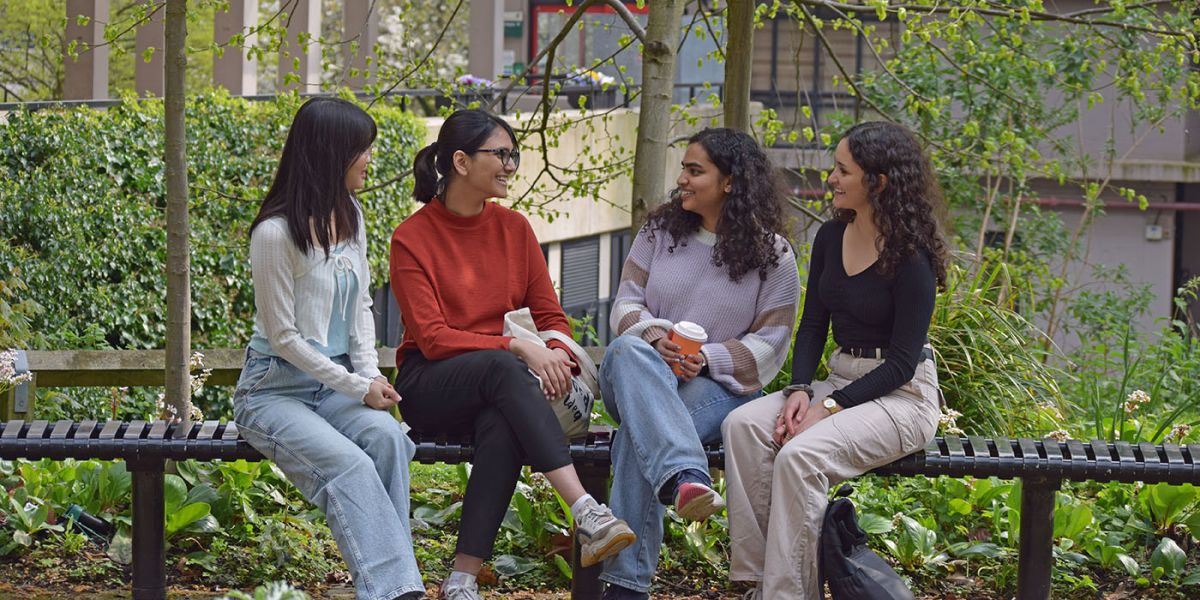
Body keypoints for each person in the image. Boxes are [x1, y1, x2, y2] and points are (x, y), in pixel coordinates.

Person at [388, 109, 636, 600]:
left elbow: (550, 315)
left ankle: (461, 580)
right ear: (460, 161)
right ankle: (585, 510)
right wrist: (519, 346)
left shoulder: (515, 228)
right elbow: (434, 338)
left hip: (504, 386)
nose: (510, 165)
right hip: (431, 384)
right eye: (500, 154)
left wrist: (559, 353)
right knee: (505, 368)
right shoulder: (411, 238)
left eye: (513, 155)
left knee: (504, 421)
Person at [722, 120, 950, 600]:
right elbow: (812, 325)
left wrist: (827, 410)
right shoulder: (830, 236)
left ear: (878, 182)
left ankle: (786, 595)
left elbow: (903, 362)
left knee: (802, 456)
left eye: (843, 170)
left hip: (903, 397)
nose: (831, 178)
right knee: (743, 426)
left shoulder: (912, 258)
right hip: (840, 380)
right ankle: (758, 581)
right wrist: (801, 390)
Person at [232, 97, 425, 600]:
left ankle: (391, 587)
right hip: (273, 391)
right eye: (362, 150)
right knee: (351, 466)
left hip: (337, 384)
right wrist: (355, 385)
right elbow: (284, 338)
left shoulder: (351, 216)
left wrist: (369, 377)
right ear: (330, 154)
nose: (368, 160)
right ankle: (399, 591)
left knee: (385, 440)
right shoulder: (274, 235)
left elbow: (361, 305)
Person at [598, 128, 801, 599]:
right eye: (684, 169)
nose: (682, 179)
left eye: (695, 170)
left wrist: (704, 359)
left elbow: (772, 344)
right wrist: (657, 338)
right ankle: (685, 477)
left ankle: (625, 588)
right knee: (628, 350)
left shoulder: (773, 256)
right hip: (636, 372)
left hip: (714, 389)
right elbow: (625, 304)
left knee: (639, 431)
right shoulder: (659, 232)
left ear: (729, 181)